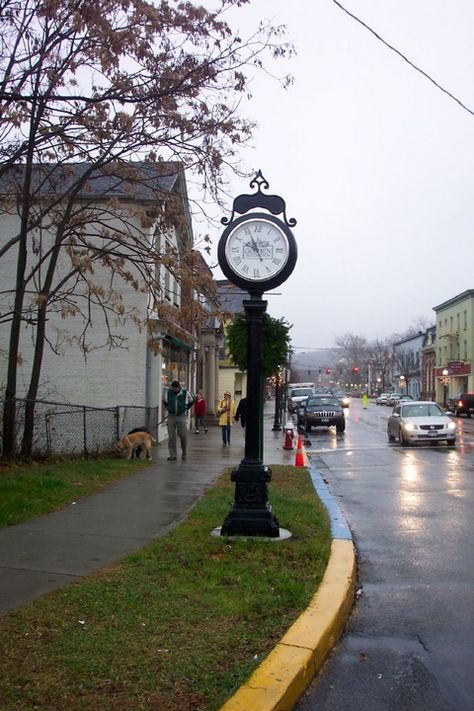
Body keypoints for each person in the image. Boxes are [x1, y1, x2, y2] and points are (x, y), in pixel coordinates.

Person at [163, 380, 194, 461]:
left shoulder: (185, 393)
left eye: (174, 389)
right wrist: (169, 408)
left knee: (183, 435)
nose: (173, 390)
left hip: (181, 416)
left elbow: (192, 401)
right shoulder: (168, 392)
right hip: (171, 416)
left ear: (178, 387)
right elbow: (165, 401)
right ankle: (173, 455)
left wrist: (186, 408)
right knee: (171, 436)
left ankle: (184, 452)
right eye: (172, 388)